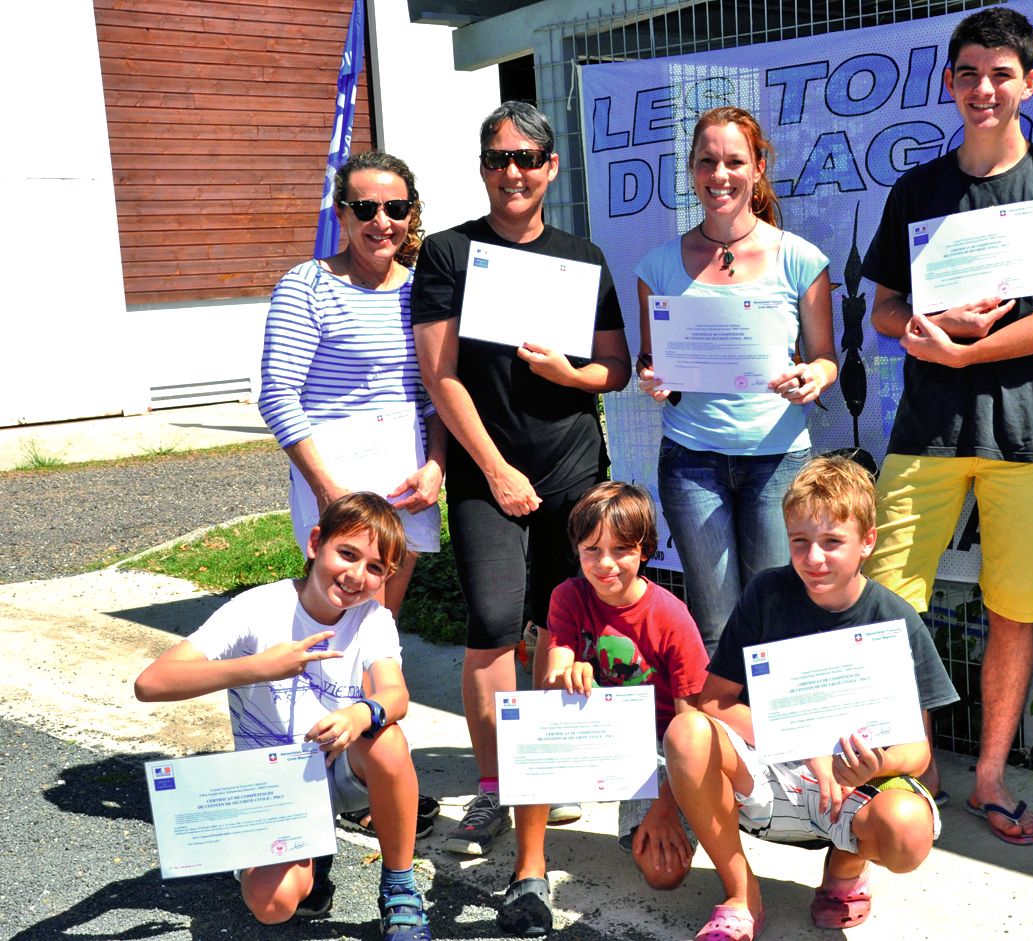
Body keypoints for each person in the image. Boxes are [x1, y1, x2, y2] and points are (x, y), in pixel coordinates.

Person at [860, 7, 1033, 845]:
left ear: (1029, 83)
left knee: (1013, 608)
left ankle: (988, 778)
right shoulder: (919, 190)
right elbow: (883, 310)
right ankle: (913, 770)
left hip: (1028, 430)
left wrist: (974, 352)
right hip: (927, 428)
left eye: (1000, 73)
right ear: (949, 82)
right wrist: (922, 333)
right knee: (885, 599)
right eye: (968, 72)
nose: (983, 88)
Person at [412, 101, 631, 857]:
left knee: (558, 623)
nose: (513, 172)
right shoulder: (447, 253)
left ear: (550, 167)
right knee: (493, 625)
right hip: (486, 471)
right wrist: (496, 469)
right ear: (482, 168)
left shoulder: (582, 255)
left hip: (572, 463)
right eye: (498, 158)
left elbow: (616, 370)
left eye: (527, 158)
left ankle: (542, 764)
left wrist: (570, 373)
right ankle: (493, 785)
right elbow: (439, 376)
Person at [663, 455, 958, 941]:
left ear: (867, 541)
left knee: (907, 831)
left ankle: (845, 871)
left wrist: (872, 766)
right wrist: (804, 744)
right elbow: (713, 703)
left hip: (854, 784)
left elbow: (919, 753)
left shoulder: (896, 618)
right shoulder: (766, 594)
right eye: (799, 541)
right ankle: (740, 895)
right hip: (773, 767)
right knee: (685, 732)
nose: (813, 558)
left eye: (832, 542)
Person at [133, 493, 431, 941]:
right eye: (347, 554)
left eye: (374, 568)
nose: (356, 575)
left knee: (386, 739)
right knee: (272, 907)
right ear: (315, 543)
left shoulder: (372, 618)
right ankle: (314, 855)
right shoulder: (257, 609)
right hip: (273, 788)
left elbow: (396, 694)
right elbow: (151, 683)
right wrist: (258, 667)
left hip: (337, 773)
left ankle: (399, 887)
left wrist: (358, 712)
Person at [635, 106, 839, 657]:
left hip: (777, 462)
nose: (719, 175)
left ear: (759, 168)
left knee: (778, 619)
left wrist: (812, 378)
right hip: (691, 461)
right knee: (717, 625)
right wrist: (653, 379)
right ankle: (731, 740)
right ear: (692, 170)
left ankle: (782, 744)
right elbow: (651, 362)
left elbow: (825, 357)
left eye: (733, 161)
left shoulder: (799, 258)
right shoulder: (657, 266)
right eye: (707, 162)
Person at [497, 481, 709, 937]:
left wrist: (665, 806)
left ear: (646, 550)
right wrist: (568, 670)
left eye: (621, 549)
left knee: (663, 875)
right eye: (592, 549)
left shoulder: (672, 617)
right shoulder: (568, 596)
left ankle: (652, 812)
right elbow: (555, 669)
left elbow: (692, 724)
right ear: (576, 549)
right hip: (594, 726)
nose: (605, 563)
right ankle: (530, 869)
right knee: (533, 724)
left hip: (656, 748)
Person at [258, 150, 446, 621]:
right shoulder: (307, 285)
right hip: (335, 474)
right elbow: (278, 395)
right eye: (366, 208)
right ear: (341, 211)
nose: (382, 221)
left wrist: (437, 467)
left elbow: (435, 394)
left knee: (381, 619)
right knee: (335, 617)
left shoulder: (423, 289)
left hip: (407, 477)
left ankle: (372, 696)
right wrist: (326, 489)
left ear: (411, 213)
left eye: (396, 209)